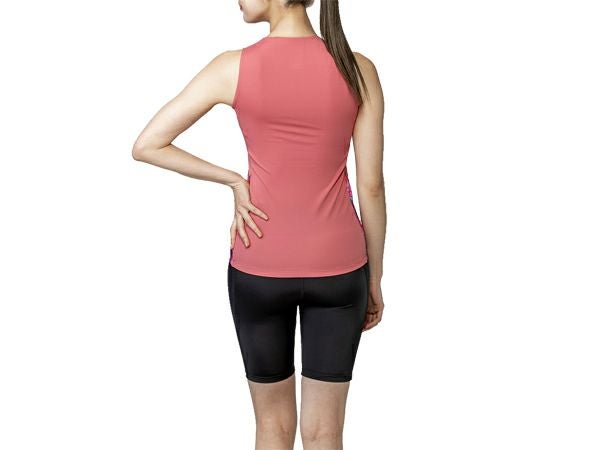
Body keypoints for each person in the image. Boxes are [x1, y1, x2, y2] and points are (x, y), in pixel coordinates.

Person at [132, 0, 386, 448]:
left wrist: (234, 180)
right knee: (325, 433)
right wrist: (374, 279)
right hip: (341, 269)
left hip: (258, 264)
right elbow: (371, 187)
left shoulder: (232, 67)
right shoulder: (358, 68)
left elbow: (149, 143)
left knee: (272, 427)